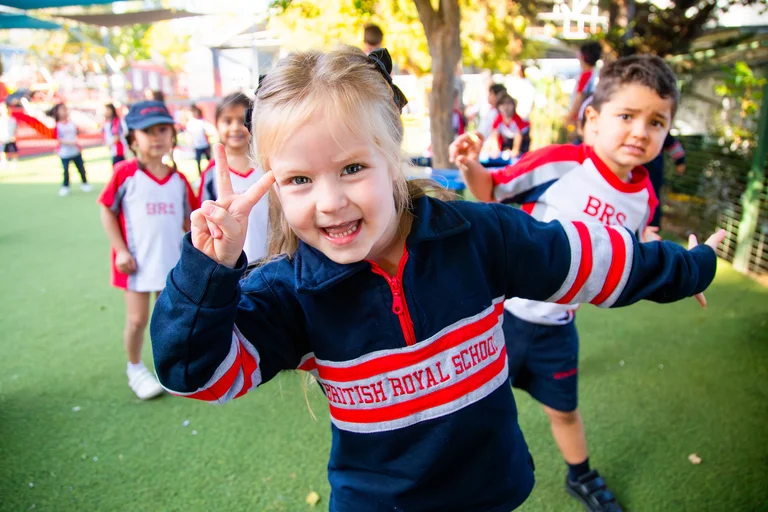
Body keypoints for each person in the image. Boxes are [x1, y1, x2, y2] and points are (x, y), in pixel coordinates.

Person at [150, 47, 722, 512]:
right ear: (274, 185)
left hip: (492, 492)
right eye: (298, 179)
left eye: (352, 168)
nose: (329, 202)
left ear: (392, 156)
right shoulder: (289, 292)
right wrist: (209, 273)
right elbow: (197, 376)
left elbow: (593, 261)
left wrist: (691, 266)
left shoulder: (477, 236)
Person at [451, 54, 689, 511]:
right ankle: (459, 473)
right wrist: (469, 166)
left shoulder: (644, 196)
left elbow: (633, 251)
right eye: (628, 116)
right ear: (593, 121)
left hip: (557, 327)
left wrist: (676, 263)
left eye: (657, 122)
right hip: (499, 317)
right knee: (472, 405)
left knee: (563, 409)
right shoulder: (561, 164)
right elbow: (490, 190)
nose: (641, 131)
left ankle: (580, 475)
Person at [98, 100, 197, 400]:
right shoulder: (124, 173)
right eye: (147, 131)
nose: (156, 137)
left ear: (172, 135)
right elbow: (106, 209)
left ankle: (169, 369)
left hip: (171, 264)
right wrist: (121, 251)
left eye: (163, 129)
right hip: (136, 265)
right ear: (132, 139)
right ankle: (135, 368)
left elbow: (188, 220)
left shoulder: (178, 180)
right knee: (138, 319)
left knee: (167, 320)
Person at [199, 92, 269, 263]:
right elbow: (203, 216)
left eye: (241, 120)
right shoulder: (211, 172)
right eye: (227, 121)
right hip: (230, 262)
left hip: (271, 258)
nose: (236, 127)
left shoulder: (268, 165)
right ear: (216, 124)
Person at [643, 133, 687, 229]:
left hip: (653, 170)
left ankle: (652, 227)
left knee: (652, 198)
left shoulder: (660, 132)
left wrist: (680, 161)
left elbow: (671, 143)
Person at [50, 104, 91, 197]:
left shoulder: (72, 123)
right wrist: (68, 142)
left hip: (75, 150)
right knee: (65, 170)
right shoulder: (57, 125)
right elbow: (57, 138)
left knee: (81, 168)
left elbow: (77, 133)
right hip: (64, 152)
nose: (64, 111)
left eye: (65, 109)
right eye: (61, 110)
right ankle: (65, 186)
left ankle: (85, 183)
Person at [566, 41, 602, 126]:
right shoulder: (595, 73)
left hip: (582, 118)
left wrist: (570, 116)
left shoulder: (586, 75)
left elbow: (579, 96)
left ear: (583, 56)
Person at [489, 94, 531, 159]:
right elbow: (494, 135)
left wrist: (515, 150)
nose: (506, 107)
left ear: (513, 106)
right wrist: (495, 150)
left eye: (508, 104)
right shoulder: (498, 119)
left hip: (522, 142)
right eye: (502, 104)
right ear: (499, 107)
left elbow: (518, 136)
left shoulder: (517, 119)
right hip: (507, 140)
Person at [185, 104, 213, 174]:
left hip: (205, 144)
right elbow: (189, 134)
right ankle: (200, 174)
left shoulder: (202, 121)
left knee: (209, 160)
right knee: (198, 161)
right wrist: (190, 143)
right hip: (197, 145)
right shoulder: (190, 123)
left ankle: (211, 172)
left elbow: (208, 131)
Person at [102, 103, 127, 168]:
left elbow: (117, 136)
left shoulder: (116, 121)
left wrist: (109, 144)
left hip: (119, 150)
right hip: (113, 151)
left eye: (107, 109)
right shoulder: (107, 122)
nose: (105, 112)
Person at [0, 102, 18, 170]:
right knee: (3, 151)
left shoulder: (12, 119)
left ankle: (14, 162)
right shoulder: (1, 120)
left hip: (10, 138)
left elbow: (15, 128)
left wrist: (14, 135)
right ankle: (3, 162)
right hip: (3, 138)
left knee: (13, 150)